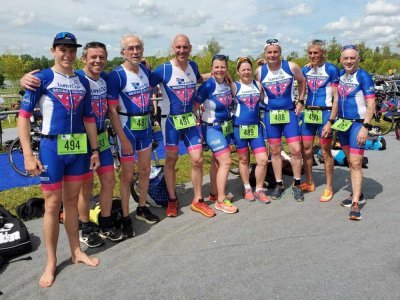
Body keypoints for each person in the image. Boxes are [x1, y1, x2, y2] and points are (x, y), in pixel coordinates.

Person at [20, 42, 125, 246]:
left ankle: (105, 222)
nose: (98, 61)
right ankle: (85, 226)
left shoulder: (105, 77)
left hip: (98, 137)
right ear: (84, 58)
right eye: (93, 57)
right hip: (76, 139)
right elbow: (49, 78)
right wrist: (22, 79)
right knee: (84, 188)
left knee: (109, 181)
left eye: (102, 57)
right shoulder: (75, 76)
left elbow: (132, 71)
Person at [17, 32, 100, 288]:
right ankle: (51, 261)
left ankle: (76, 252)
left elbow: (89, 119)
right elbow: (23, 116)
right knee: (52, 206)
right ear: (53, 50)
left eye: (72, 50)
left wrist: (95, 150)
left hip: (78, 149)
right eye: (62, 49)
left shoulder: (83, 81)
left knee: (72, 203)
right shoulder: (41, 78)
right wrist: (28, 154)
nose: (68, 55)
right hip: (52, 147)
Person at [149, 34, 214, 218]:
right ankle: (172, 199)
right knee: (171, 159)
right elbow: (145, 85)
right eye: (178, 47)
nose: (182, 51)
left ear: (190, 48)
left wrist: (218, 74)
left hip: (189, 120)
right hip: (170, 122)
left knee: (198, 159)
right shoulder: (164, 69)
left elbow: (199, 79)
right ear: (173, 48)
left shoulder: (193, 65)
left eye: (185, 47)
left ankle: (198, 200)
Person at [107, 34, 160, 238]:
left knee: (145, 170)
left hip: (145, 128)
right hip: (127, 129)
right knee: (127, 176)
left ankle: (141, 207)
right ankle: (125, 216)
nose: (135, 51)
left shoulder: (145, 71)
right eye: (130, 48)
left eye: (138, 48)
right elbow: (112, 111)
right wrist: (122, 137)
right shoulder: (117, 75)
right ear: (123, 52)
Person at [255, 38, 306, 201]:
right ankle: (279, 183)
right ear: (265, 53)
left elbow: (302, 80)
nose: (272, 55)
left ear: (280, 52)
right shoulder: (259, 71)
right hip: (271, 115)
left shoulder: (290, 66)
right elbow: (255, 89)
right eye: (269, 52)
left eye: (275, 51)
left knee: (295, 150)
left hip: (289, 113)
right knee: (275, 151)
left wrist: (301, 101)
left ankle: (297, 184)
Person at [334, 44, 375, 220]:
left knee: (356, 163)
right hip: (342, 125)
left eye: (352, 58)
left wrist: (366, 127)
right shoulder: (341, 76)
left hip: (358, 124)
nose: (349, 61)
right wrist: (331, 122)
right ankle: (356, 193)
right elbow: (336, 99)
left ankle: (356, 202)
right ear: (341, 60)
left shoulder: (363, 76)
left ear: (358, 59)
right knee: (350, 161)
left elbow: (371, 104)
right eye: (346, 58)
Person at [194, 54, 238, 213]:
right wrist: (195, 127)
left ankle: (214, 193)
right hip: (211, 128)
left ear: (226, 69)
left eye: (223, 67)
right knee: (226, 161)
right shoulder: (207, 86)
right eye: (216, 67)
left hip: (225, 127)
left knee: (217, 162)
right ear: (212, 69)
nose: (220, 70)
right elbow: (194, 106)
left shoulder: (227, 83)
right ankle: (221, 200)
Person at [299, 39, 340, 202]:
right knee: (306, 150)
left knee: (325, 151)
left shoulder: (331, 69)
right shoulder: (305, 69)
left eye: (316, 52)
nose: (312, 56)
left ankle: (329, 187)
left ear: (322, 52)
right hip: (309, 113)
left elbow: (336, 97)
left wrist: (331, 120)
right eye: (310, 53)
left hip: (325, 113)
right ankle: (309, 182)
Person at [232, 57, 269, 203]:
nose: (246, 72)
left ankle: (259, 189)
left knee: (263, 160)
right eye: (243, 70)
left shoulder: (258, 84)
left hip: (255, 128)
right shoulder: (234, 86)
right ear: (238, 72)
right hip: (239, 128)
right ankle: (247, 188)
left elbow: (265, 99)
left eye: (248, 69)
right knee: (243, 159)